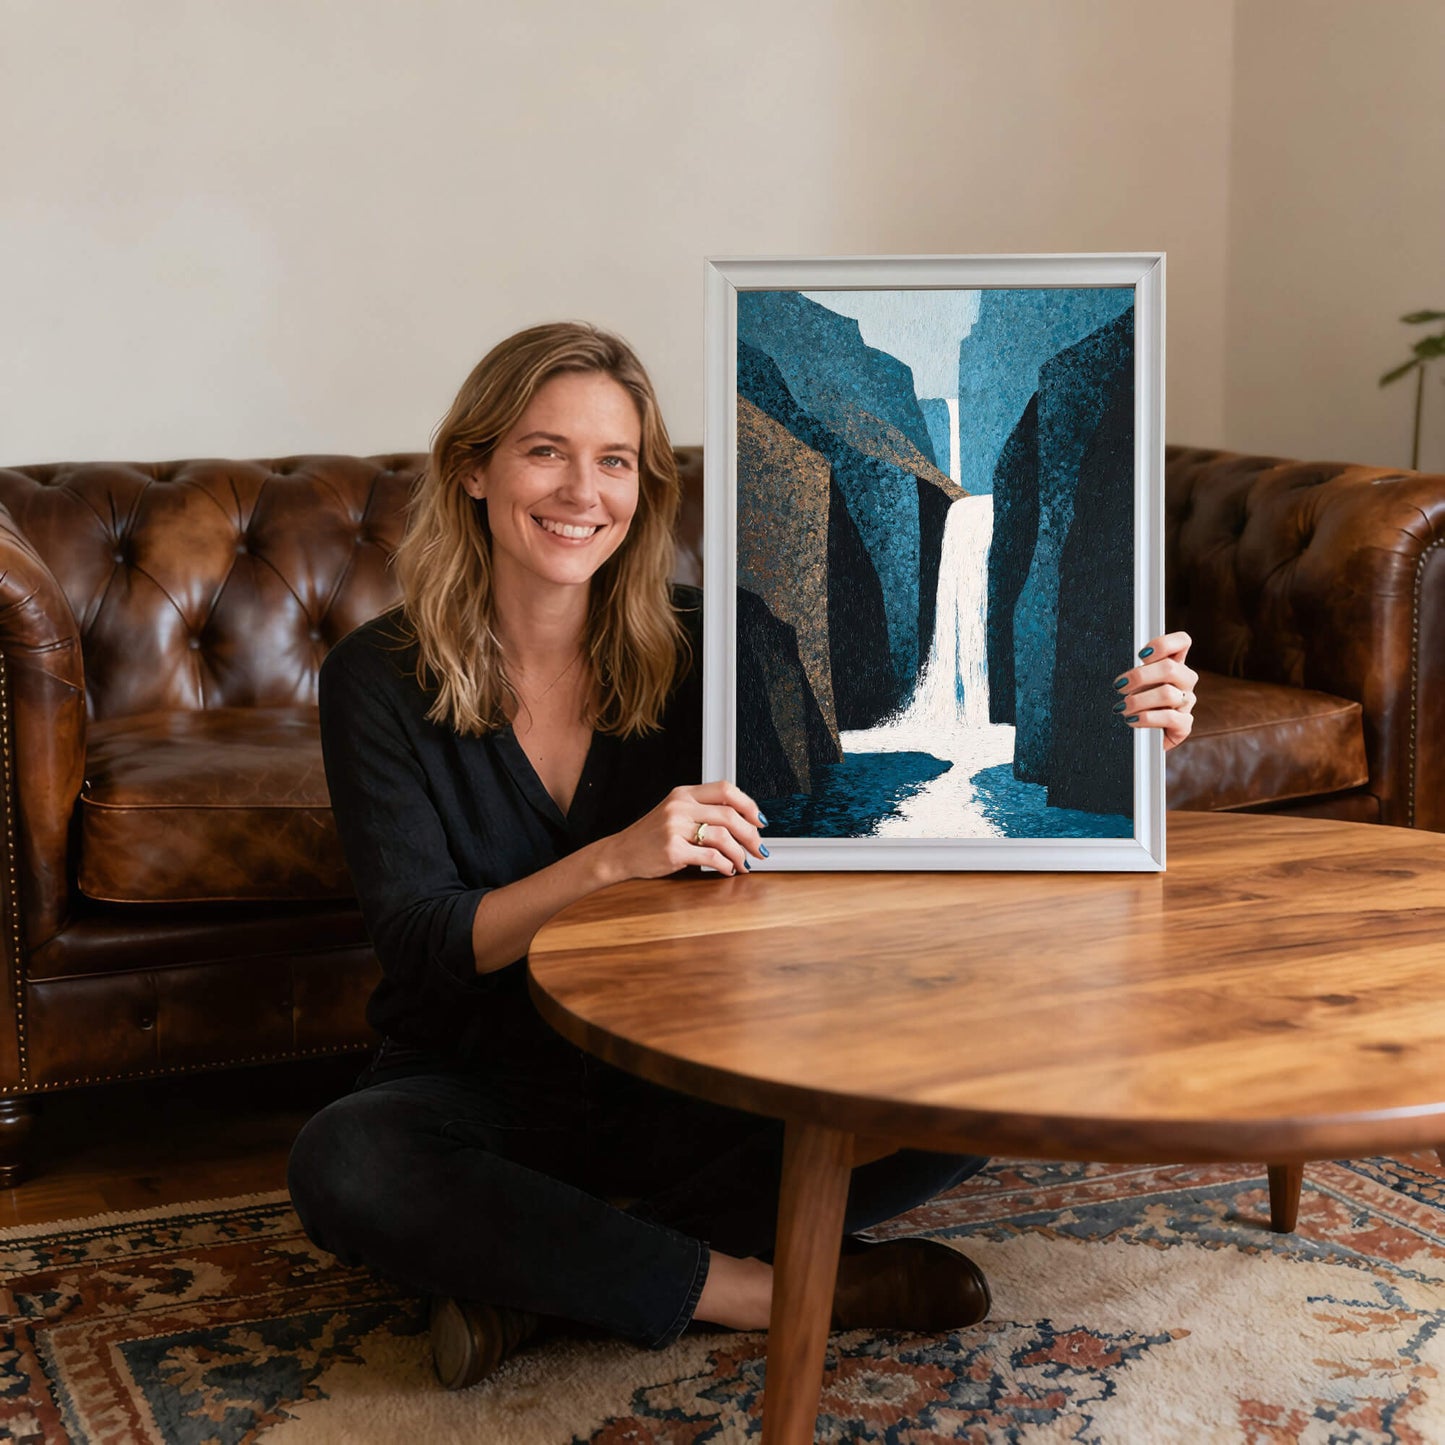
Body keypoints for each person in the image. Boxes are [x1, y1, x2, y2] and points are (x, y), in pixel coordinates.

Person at [287, 321, 1198, 1390]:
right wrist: (610, 860)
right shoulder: (375, 675)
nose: (583, 489)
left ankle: (536, 1277)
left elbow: (865, 839)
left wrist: (1127, 743)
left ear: (643, 486)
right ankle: (787, 1290)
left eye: (615, 460)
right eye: (544, 450)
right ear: (472, 469)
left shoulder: (707, 645)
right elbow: (422, 938)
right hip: (479, 1079)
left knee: (989, 1074)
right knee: (345, 1161)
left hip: (680, 1069)